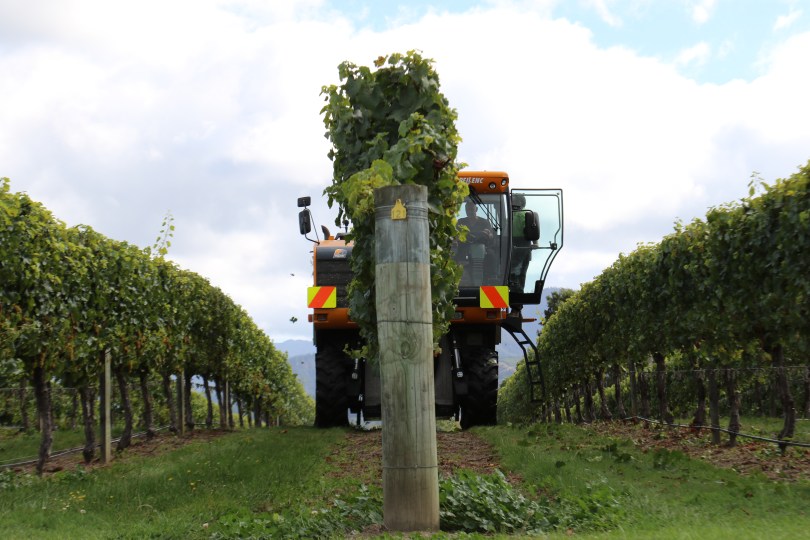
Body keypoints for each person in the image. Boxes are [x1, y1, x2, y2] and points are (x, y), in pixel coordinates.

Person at [456, 200, 494, 285]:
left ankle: (489, 280)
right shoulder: (461, 222)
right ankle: (460, 281)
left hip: (484, 251)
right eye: (467, 209)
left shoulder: (485, 222)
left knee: (492, 256)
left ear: (476, 209)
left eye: (471, 209)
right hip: (463, 250)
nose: (469, 211)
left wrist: (488, 234)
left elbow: (491, 236)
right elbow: (455, 236)